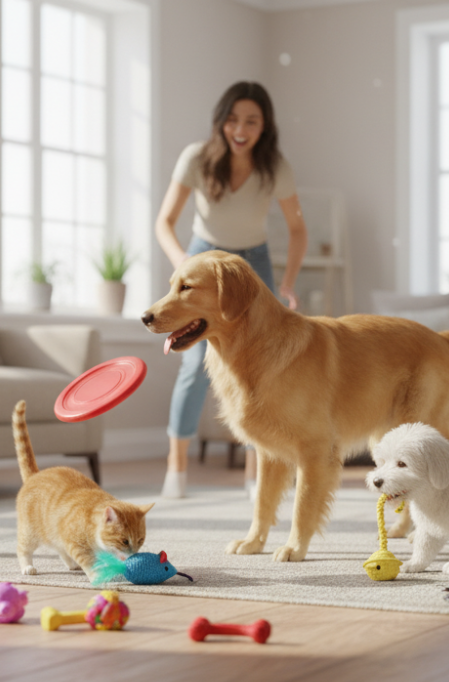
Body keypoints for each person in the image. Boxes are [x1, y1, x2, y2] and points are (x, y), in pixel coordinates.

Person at [155, 81, 307, 499]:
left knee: (261, 366)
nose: (241, 129)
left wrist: (288, 282)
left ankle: (257, 476)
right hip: (203, 255)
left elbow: (297, 229)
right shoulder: (196, 158)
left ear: (264, 127)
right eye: (233, 119)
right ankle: (177, 469)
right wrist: (184, 266)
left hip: (253, 263)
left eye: (252, 121)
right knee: (195, 364)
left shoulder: (275, 167)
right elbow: (164, 221)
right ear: (221, 122)